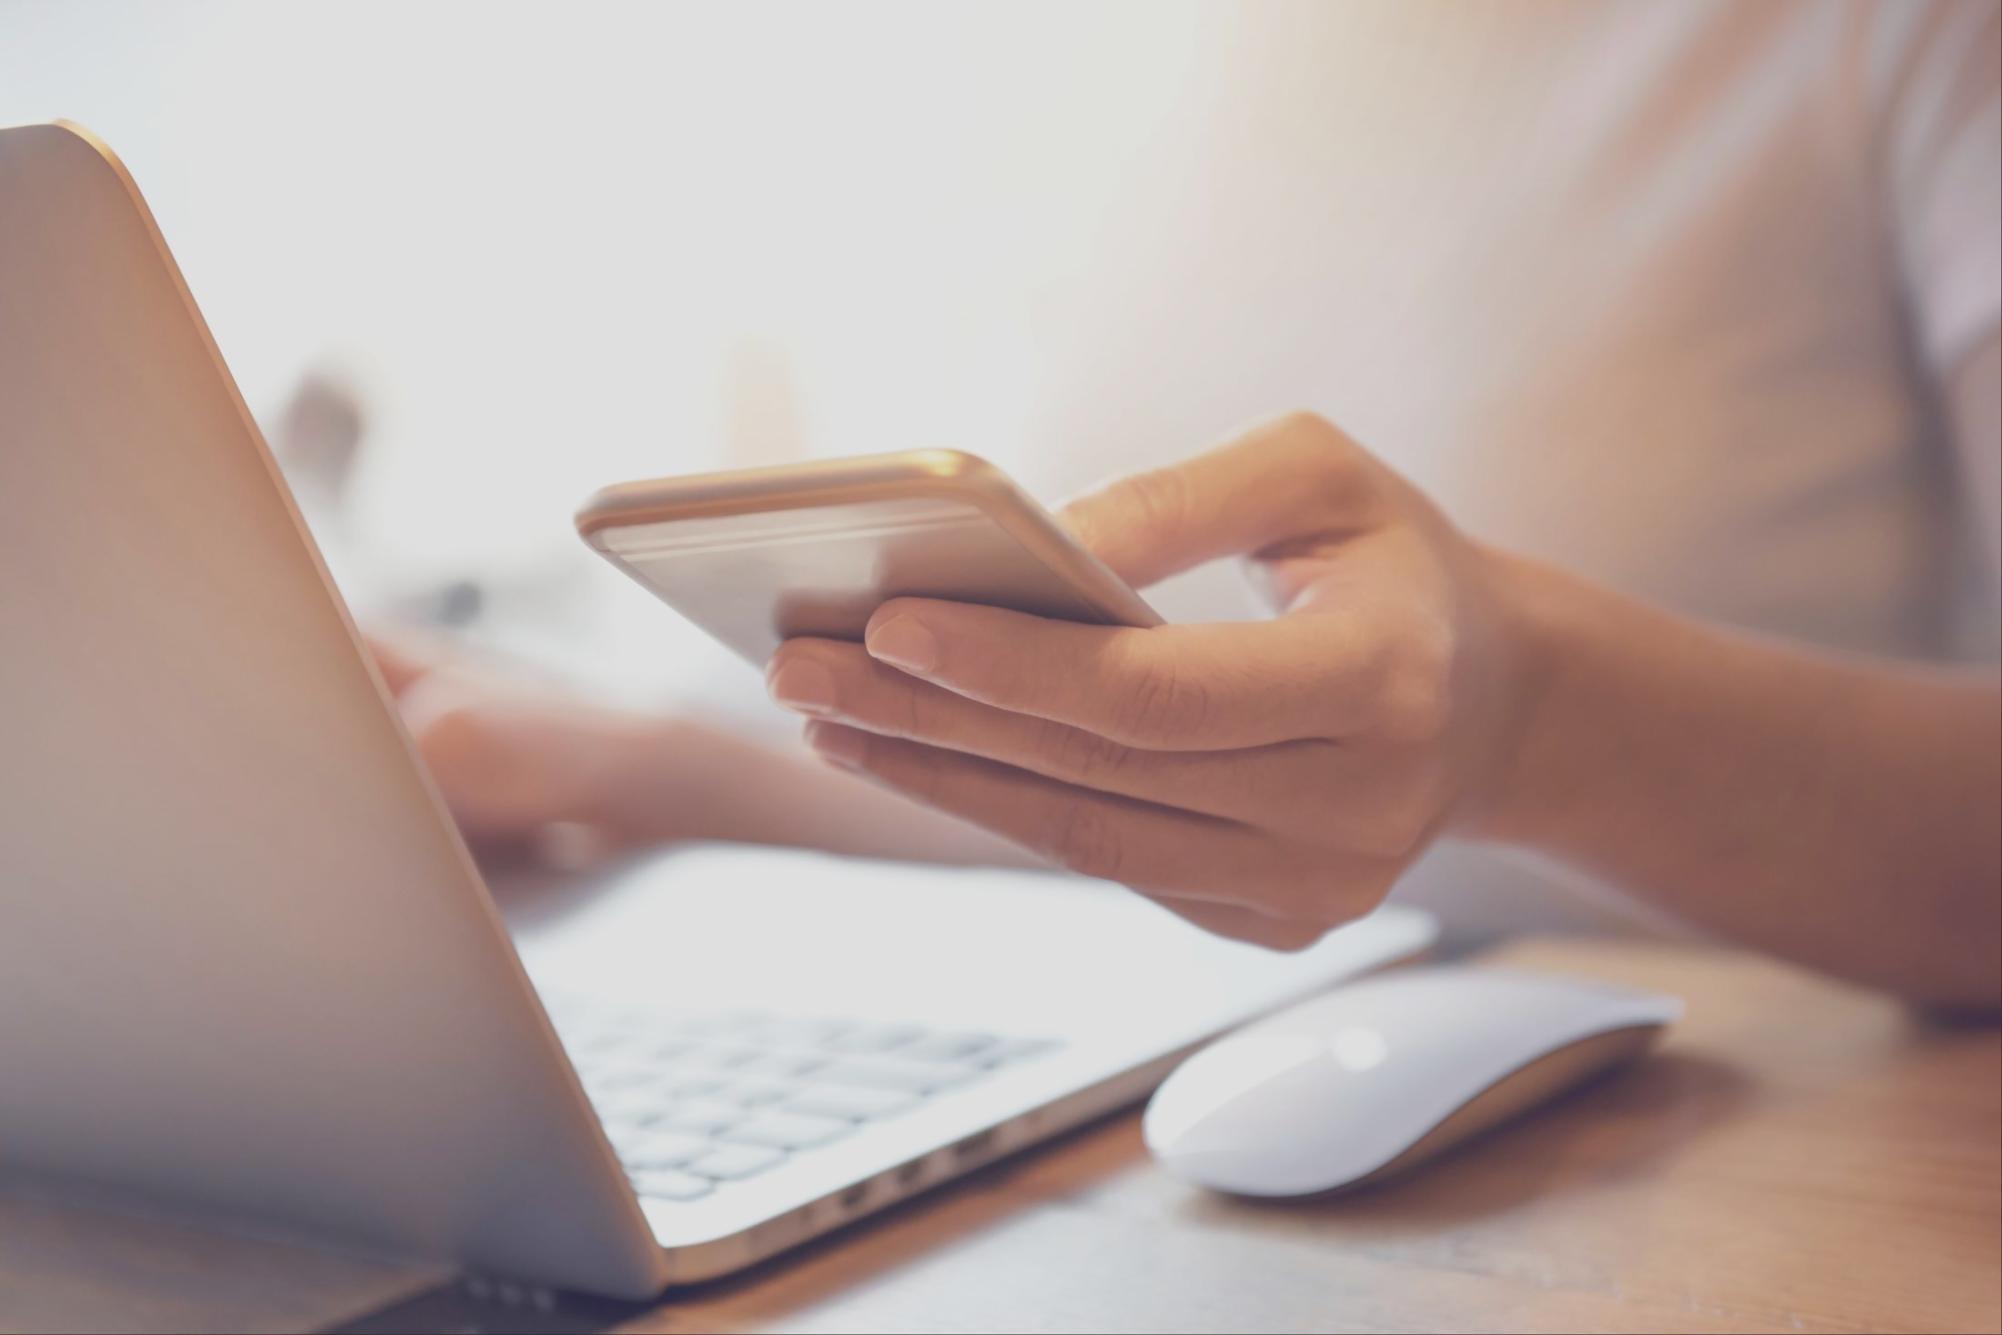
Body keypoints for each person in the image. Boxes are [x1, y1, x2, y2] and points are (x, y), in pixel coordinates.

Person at [370, 1, 2000, 1009]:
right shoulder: (1108, 82)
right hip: (1194, 1118)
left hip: (1755, 1155)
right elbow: (1110, 785)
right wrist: (634, 768)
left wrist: (1526, 718)